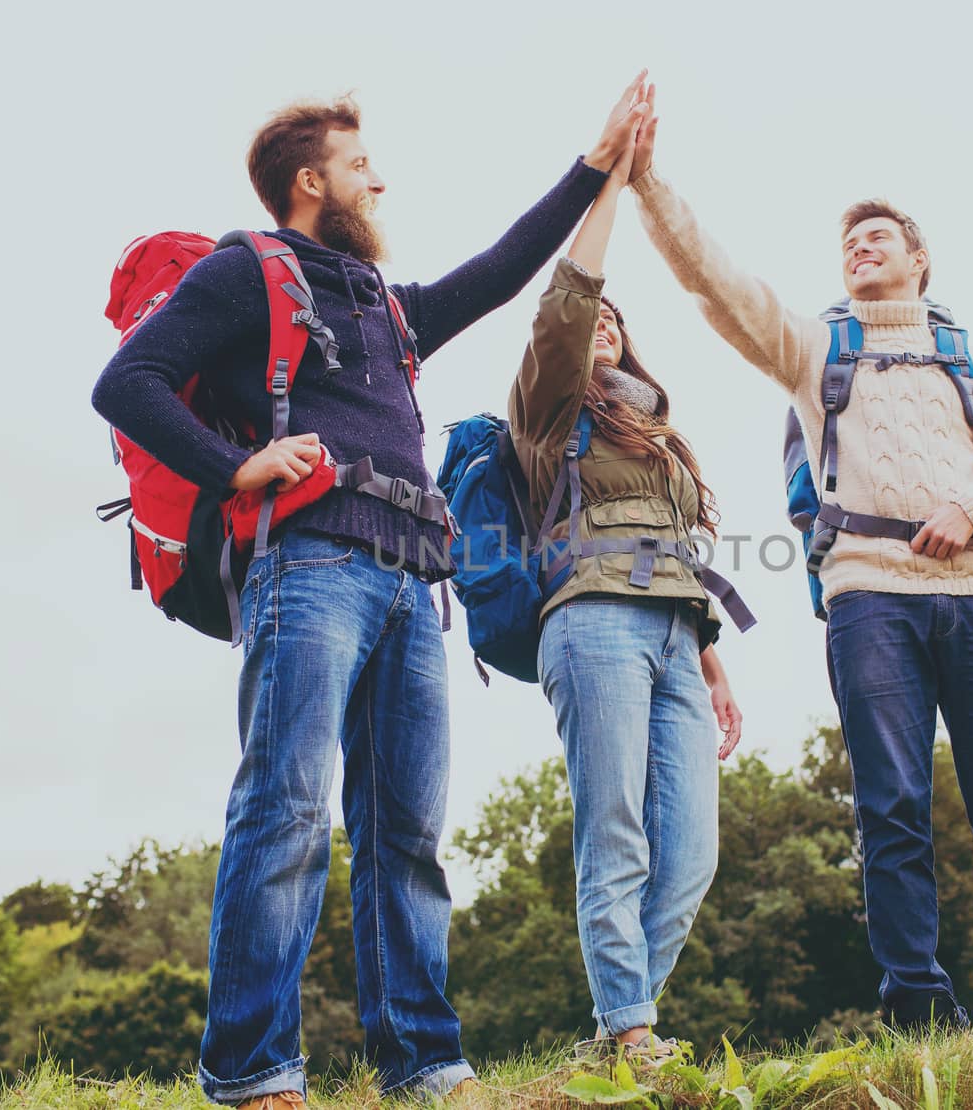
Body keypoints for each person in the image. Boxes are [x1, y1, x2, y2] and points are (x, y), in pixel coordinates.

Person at [91, 74, 654, 1104]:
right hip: (309, 567)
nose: (377, 180)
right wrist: (238, 468)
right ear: (312, 181)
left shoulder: (386, 308)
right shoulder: (244, 273)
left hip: (409, 584)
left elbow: (498, 271)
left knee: (405, 833)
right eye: (360, 166)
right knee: (288, 808)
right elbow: (124, 382)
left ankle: (425, 1063)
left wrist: (595, 166)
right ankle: (254, 1069)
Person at [623, 116, 973, 1029]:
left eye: (877, 237)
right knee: (891, 804)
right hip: (869, 596)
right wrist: (648, 187)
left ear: (920, 260)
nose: (858, 248)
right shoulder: (816, 350)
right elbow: (718, 286)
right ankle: (916, 1004)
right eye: (848, 242)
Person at [506, 93, 743, 1060]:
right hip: (592, 618)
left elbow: (683, 555)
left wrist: (714, 657)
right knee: (616, 833)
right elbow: (569, 298)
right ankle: (633, 1030)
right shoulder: (549, 414)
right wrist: (608, 183)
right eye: (591, 315)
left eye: (616, 315)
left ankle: (612, 1034)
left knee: (688, 856)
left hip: (677, 633)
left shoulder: (656, 427)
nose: (602, 319)